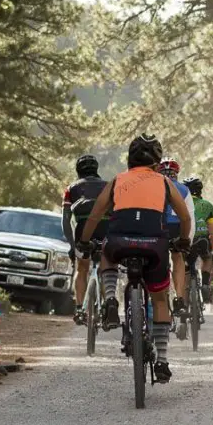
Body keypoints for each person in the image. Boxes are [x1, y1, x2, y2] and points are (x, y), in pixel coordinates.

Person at [75, 134, 192, 384]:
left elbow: (95, 216)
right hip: (155, 245)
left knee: (106, 253)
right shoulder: (163, 182)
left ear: (130, 158)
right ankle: (161, 359)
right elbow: (184, 218)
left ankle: (109, 299)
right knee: (160, 299)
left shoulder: (118, 180)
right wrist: (183, 241)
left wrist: (84, 242)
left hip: (119, 243)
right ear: (157, 161)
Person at [63, 154, 108, 326]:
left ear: (78, 171)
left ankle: (80, 309)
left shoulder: (72, 188)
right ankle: (106, 306)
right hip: (105, 229)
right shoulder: (107, 186)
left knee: (82, 268)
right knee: (106, 268)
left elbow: (65, 221)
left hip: (83, 230)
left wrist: (72, 245)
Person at [158, 158, 195, 318]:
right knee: (178, 258)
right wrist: (188, 240)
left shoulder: (155, 186)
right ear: (176, 173)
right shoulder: (184, 189)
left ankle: (159, 294)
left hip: (158, 227)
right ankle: (179, 298)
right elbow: (190, 217)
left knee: (157, 260)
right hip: (178, 227)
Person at [183, 176, 213, 303]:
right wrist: (212, 246)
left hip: (186, 240)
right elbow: (212, 230)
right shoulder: (208, 205)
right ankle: (205, 284)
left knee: (185, 268)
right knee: (207, 258)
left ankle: (184, 301)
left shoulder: (181, 203)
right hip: (202, 239)